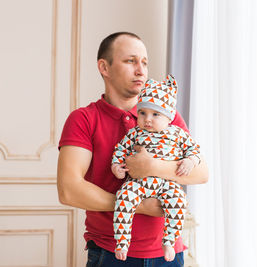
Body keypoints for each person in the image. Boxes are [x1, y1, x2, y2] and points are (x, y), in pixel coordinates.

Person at [57, 32, 208, 267]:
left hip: (168, 254)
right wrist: (138, 205)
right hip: (112, 253)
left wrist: (153, 166)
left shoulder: (165, 115)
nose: (141, 70)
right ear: (104, 67)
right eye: (131, 61)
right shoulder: (84, 119)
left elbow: (201, 173)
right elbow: (69, 190)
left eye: (145, 62)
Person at [112, 74, 201, 262]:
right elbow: (120, 149)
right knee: (124, 197)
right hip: (138, 182)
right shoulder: (135, 133)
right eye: (142, 113)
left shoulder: (177, 133)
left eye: (155, 114)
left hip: (166, 184)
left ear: (169, 117)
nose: (147, 119)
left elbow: (194, 150)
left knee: (179, 201)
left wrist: (190, 161)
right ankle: (122, 241)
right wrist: (116, 166)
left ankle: (169, 241)